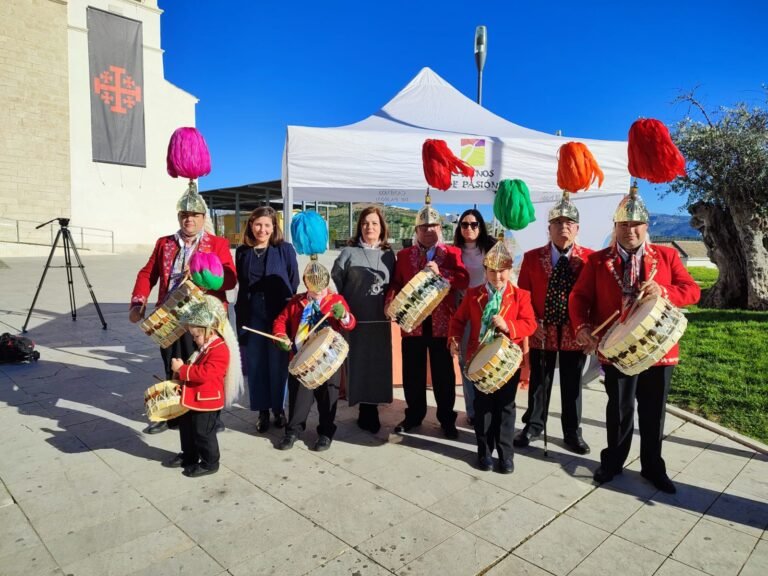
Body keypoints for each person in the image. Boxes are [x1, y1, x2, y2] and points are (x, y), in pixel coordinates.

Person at [569, 185, 700, 494]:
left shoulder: (666, 257)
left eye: (635, 224)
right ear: (615, 227)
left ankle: (653, 467)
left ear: (646, 226)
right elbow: (579, 297)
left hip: (658, 350)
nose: (630, 230)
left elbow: (692, 291)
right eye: (623, 225)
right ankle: (613, 462)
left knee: (654, 411)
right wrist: (583, 327)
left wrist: (664, 292)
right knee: (619, 408)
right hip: (615, 350)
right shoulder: (598, 261)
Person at [129, 184, 236, 434]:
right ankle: (174, 414)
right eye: (185, 215)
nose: (189, 219)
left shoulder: (217, 244)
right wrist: (138, 301)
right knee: (172, 365)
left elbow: (230, 279)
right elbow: (147, 273)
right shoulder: (164, 243)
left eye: (195, 215)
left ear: (203, 218)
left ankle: (209, 414)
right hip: (169, 316)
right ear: (179, 217)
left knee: (203, 365)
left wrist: (207, 275)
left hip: (204, 318)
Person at [514, 194, 594, 454]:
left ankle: (572, 432)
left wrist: (587, 327)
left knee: (572, 384)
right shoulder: (532, 257)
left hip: (574, 332)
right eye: (557, 222)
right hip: (541, 329)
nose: (564, 227)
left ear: (578, 228)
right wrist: (531, 322)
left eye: (570, 222)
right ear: (548, 228)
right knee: (539, 381)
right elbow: (523, 295)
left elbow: (593, 296)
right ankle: (534, 425)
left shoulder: (589, 259)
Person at [449, 240, 537, 473]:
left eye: (502, 271)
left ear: (510, 271)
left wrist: (508, 325)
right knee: (483, 408)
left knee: (506, 408)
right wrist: (455, 339)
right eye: (492, 271)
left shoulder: (521, 296)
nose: (497, 276)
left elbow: (530, 324)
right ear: (485, 271)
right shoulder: (473, 295)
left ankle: (506, 455)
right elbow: (457, 321)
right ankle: (484, 452)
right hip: (479, 361)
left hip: (508, 362)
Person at [385, 199, 469, 439]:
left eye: (433, 226)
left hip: (443, 324)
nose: (428, 230)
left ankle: (446, 419)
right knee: (413, 373)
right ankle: (413, 415)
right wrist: (389, 301)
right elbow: (396, 283)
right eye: (423, 227)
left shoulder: (452, 253)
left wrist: (441, 272)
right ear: (416, 231)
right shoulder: (403, 255)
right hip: (413, 325)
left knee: (444, 375)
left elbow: (463, 279)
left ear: (441, 229)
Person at [273, 259, 356, 451]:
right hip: (301, 357)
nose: (318, 291)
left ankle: (326, 432)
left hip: (328, 359)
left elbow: (351, 324)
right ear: (305, 282)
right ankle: (292, 430)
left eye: (322, 286)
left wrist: (343, 315)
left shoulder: (336, 300)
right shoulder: (296, 302)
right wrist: (280, 336)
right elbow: (280, 321)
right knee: (298, 398)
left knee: (328, 396)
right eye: (313, 287)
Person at [235, 206, 299, 433]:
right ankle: (262, 411)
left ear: (274, 228)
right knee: (256, 363)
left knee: (277, 362)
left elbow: (293, 281)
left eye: (267, 225)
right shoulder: (242, 251)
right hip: (252, 314)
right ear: (251, 225)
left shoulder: (284, 249)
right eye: (258, 224)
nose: (262, 229)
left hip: (277, 313)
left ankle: (278, 409)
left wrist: (285, 312)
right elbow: (242, 284)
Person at [331, 206, 396, 434]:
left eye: (374, 223)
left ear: (382, 228)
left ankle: (373, 408)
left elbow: (393, 285)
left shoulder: (389, 255)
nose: (370, 227)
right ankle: (363, 410)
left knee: (378, 365)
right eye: (366, 223)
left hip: (379, 320)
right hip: (356, 320)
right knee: (359, 364)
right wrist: (348, 301)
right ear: (360, 226)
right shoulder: (349, 252)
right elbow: (336, 277)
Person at [165, 297, 232, 477]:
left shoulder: (219, 348)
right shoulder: (205, 346)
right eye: (193, 336)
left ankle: (210, 463)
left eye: (197, 336)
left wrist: (182, 369)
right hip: (194, 397)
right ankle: (189, 455)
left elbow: (206, 373)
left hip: (208, 400)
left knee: (204, 433)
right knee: (187, 428)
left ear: (209, 330)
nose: (194, 340)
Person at [452, 208, 497, 426]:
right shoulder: (453, 251)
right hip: (463, 311)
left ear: (481, 226)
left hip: (489, 311)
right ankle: (473, 410)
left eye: (474, 224)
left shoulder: (492, 248)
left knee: (489, 358)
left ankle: (492, 405)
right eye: (464, 224)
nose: (469, 228)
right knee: (466, 361)